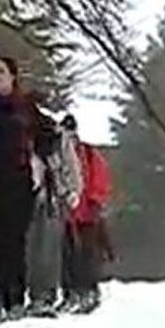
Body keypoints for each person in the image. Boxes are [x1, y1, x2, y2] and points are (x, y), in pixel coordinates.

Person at [0, 52, 39, 320]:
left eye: (1, 71)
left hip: (18, 181)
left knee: (13, 240)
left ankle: (15, 296)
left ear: (12, 76)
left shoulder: (25, 107)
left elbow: (47, 136)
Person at [25, 107, 83, 317]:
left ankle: (43, 296)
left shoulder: (58, 138)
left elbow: (71, 166)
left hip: (49, 197)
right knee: (25, 249)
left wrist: (72, 191)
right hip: (19, 195)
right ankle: (14, 295)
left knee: (45, 249)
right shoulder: (17, 131)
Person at [59, 114, 112, 314]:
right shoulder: (59, 154)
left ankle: (89, 289)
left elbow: (101, 180)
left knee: (87, 255)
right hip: (65, 215)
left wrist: (95, 201)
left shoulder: (89, 154)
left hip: (86, 215)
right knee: (67, 256)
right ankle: (70, 291)